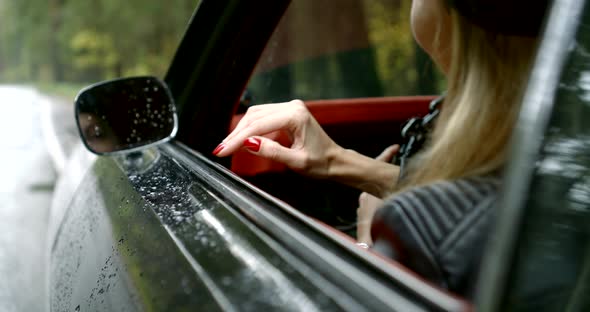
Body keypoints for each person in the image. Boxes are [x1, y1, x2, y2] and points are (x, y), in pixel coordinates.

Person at [213, 0, 549, 296]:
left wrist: (368, 246)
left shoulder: (416, 229)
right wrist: (336, 160)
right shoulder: (550, 155)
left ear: (456, 11)